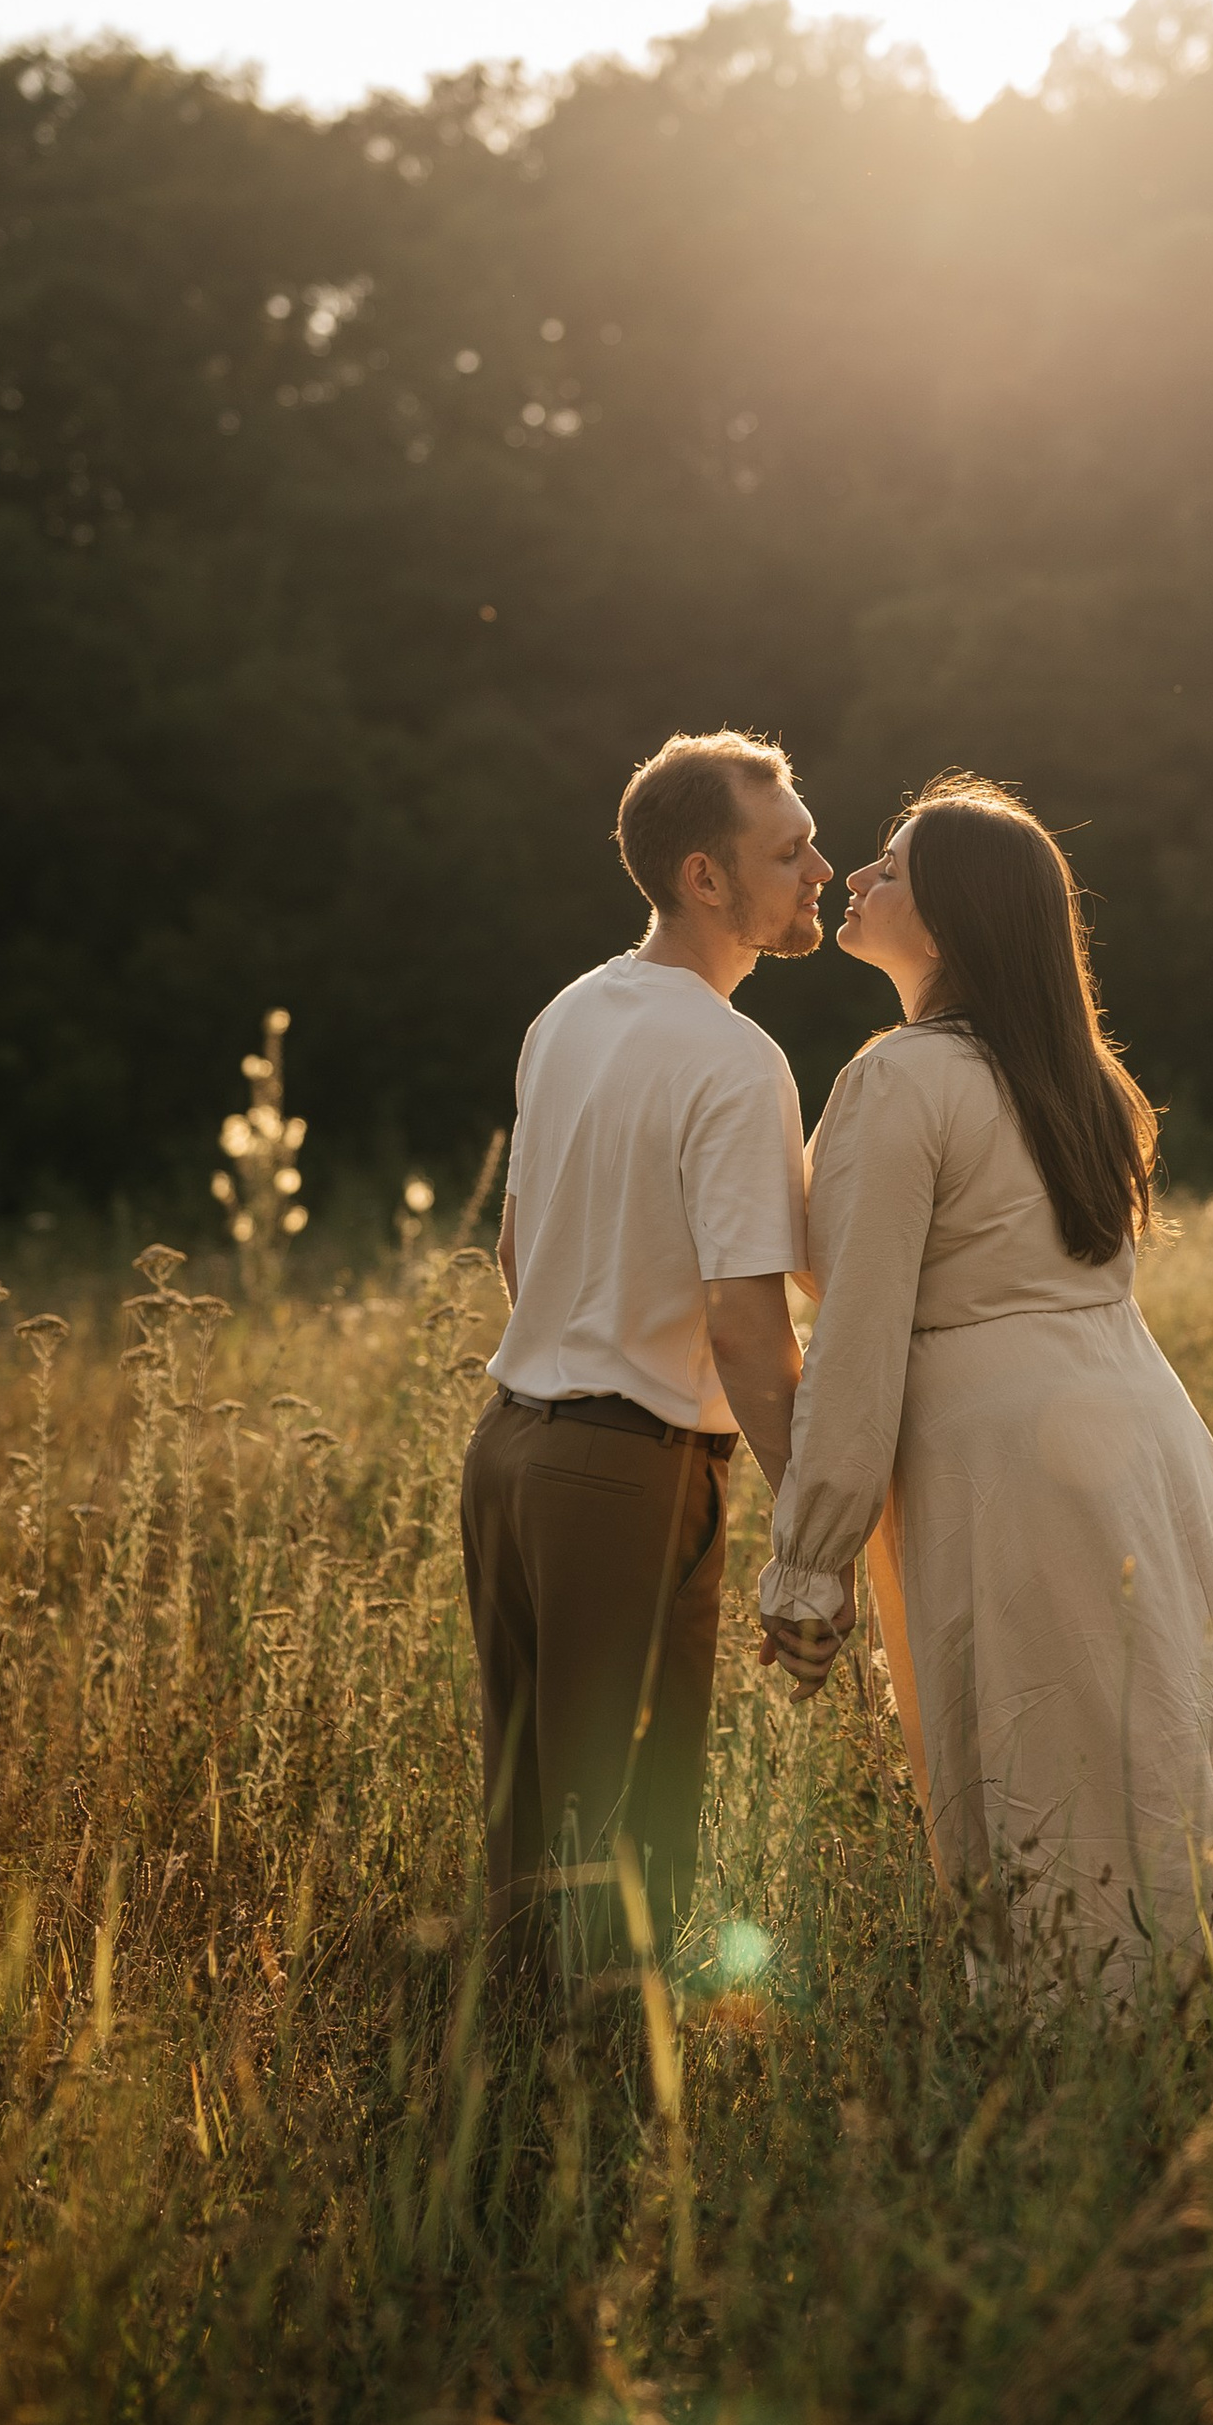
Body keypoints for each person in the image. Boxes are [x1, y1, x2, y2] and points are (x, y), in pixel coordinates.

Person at [756, 775, 1213, 1985]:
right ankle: (1188, 2008)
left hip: (1011, 1460)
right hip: (1146, 1434)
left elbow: (861, 1333)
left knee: (1042, 1755)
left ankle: (1078, 2053)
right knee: (1147, 1741)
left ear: (953, 918)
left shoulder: (901, 1077)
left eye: (890, 867)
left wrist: (805, 1554)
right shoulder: (1084, 1079)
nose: (860, 880)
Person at [463, 729, 833, 1974]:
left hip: (511, 1448)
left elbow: (515, 1250)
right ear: (705, 877)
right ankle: (597, 2113)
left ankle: (510, 2086)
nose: (821, 868)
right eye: (788, 850)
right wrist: (810, 1529)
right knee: (624, 1830)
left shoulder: (566, 1013)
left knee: (534, 1825)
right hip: (625, 1468)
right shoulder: (736, 1060)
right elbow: (745, 1322)